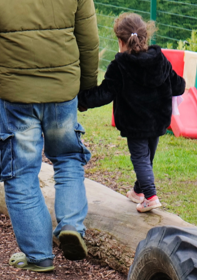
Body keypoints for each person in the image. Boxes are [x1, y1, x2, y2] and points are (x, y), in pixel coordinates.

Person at [0, 0, 99, 272]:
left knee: (20, 172)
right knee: (68, 158)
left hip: (16, 95)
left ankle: (39, 256)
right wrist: (86, 88)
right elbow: (89, 41)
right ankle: (71, 224)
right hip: (62, 91)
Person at [78, 13, 185, 213]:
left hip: (134, 122)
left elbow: (104, 93)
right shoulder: (160, 59)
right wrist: (181, 87)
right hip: (158, 120)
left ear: (120, 41)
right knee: (148, 156)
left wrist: (81, 100)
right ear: (145, 37)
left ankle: (151, 197)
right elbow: (176, 83)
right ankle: (138, 191)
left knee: (140, 157)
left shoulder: (120, 65)